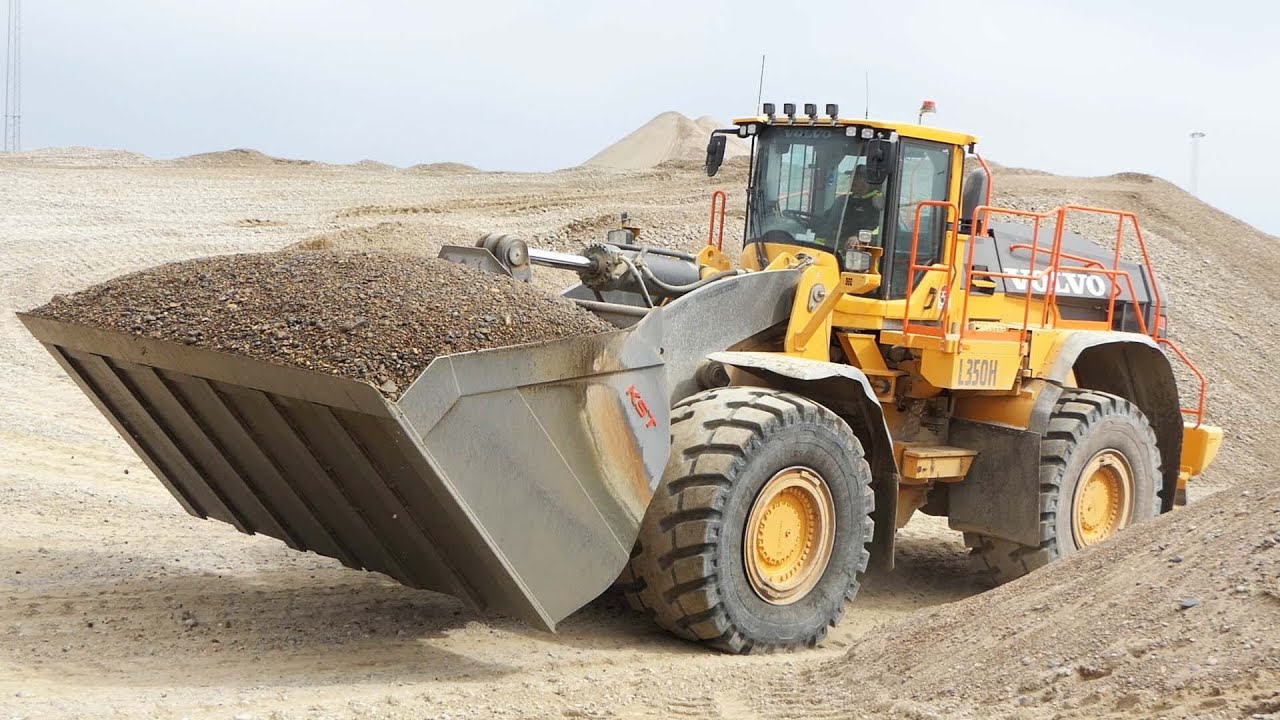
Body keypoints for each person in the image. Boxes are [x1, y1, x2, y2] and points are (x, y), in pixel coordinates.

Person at [838, 165, 885, 245]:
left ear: (866, 181)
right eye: (851, 177)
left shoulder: (876, 202)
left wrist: (858, 237)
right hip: (840, 242)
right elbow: (830, 219)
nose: (851, 181)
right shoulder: (847, 200)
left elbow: (877, 228)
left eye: (855, 178)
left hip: (863, 247)